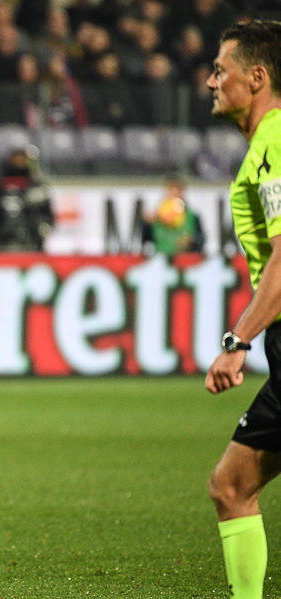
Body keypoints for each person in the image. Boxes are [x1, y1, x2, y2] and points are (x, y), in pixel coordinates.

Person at [203, 20, 281, 599]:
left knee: (231, 486)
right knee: (232, 486)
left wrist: (238, 341)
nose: (211, 80)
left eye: (220, 70)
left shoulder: (275, 143)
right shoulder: (264, 146)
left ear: (256, 77)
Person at [0, 146, 53, 252]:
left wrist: (42, 230)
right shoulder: (2, 181)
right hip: (3, 239)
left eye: (22, 158)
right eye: (16, 158)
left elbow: (46, 212)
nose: (19, 161)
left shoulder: (37, 184)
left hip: (31, 239)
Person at [141, 178, 205, 257]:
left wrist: (192, 241)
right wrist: (147, 224)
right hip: (161, 258)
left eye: (178, 189)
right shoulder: (157, 215)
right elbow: (146, 241)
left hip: (184, 258)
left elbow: (201, 240)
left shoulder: (192, 216)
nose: (175, 193)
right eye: (171, 189)